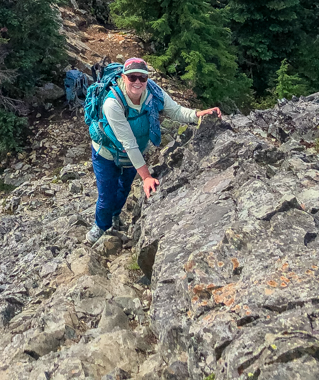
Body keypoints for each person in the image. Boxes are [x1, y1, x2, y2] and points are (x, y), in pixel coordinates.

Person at [85, 57, 221, 246]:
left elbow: (175, 111)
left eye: (142, 77)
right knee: (106, 195)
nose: (138, 82)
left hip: (135, 153)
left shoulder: (153, 92)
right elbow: (128, 142)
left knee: (123, 190)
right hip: (106, 153)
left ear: (147, 78)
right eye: (132, 77)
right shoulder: (112, 103)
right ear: (124, 77)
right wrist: (146, 177)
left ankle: (115, 217)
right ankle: (100, 226)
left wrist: (198, 114)